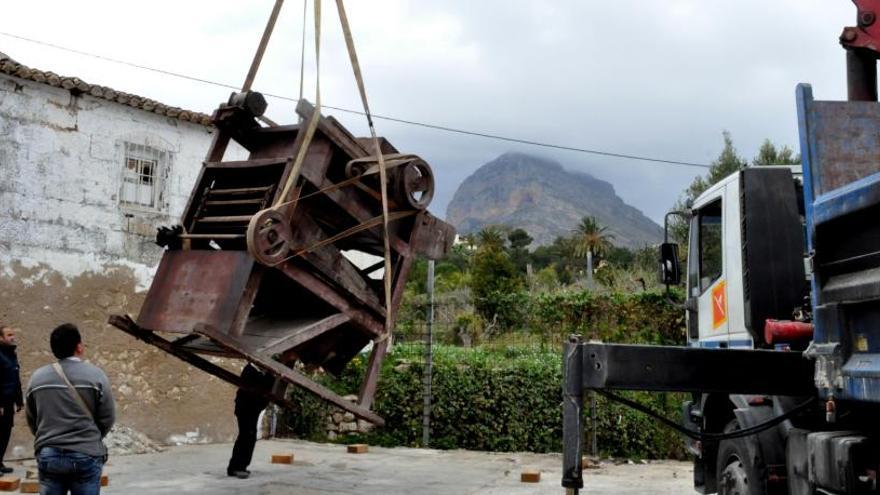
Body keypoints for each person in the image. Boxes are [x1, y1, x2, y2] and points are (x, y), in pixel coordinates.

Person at [26, 323, 115, 495]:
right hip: (86, 454)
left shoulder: (37, 378)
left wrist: (47, 436)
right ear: (79, 347)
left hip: (48, 454)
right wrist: (91, 436)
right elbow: (108, 417)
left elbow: (32, 419)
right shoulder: (96, 375)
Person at [227, 363, 275, 479]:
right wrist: (270, 376)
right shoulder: (250, 370)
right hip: (245, 409)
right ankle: (235, 468)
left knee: (249, 436)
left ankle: (240, 466)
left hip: (251, 410)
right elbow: (258, 387)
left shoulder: (260, 371)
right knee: (246, 436)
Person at [0, 325, 23, 474]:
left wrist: (19, 400)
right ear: (0, 338)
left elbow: (15, 378)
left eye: (12, 334)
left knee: (5, 432)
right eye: (8, 335)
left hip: (9, 401)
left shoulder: (11, 354)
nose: (12, 337)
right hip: (1, 402)